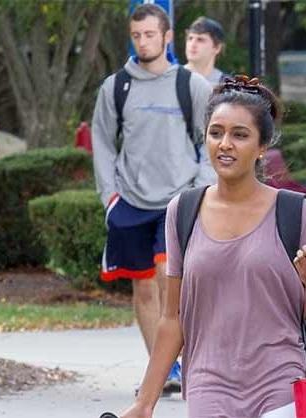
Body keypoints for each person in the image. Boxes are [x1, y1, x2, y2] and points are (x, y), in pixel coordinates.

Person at [118, 76, 306, 418]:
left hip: (283, 380)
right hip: (209, 383)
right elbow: (172, 319)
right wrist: (145, 402)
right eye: (216, 133)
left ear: (262, 146)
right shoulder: (183, 211)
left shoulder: (295, 212)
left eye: (240, 135)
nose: (225, 144)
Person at [91, 3, 215, 395]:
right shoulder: (116, 87)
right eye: (136, 35)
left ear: (166, 37)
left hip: (176, 201)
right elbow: (102, 142)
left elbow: (213, 138)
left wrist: (200, 188)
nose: (143, 42)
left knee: (169, 280)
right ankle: (163, 370)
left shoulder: (190, 85)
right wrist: (109, 195)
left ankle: (185, 362)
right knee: (143, 288)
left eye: (150, 34)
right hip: (128, 202)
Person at [184, 16, 229, 86]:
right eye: (190, 38)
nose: (192, 44)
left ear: (217, 48)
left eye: (200, 40)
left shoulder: (227, 86)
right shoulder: (171, 79)